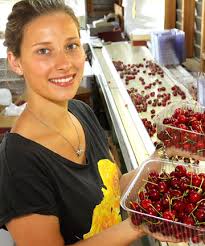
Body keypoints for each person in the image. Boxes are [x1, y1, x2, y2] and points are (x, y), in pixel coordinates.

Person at [0, 1, 182, 245]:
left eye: (71, 45)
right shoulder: (17, 162)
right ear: (15, 61)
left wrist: (164, 153)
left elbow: (113, 190)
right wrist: (138, 225)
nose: (64, 63)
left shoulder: (81, 112)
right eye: (44, 50)